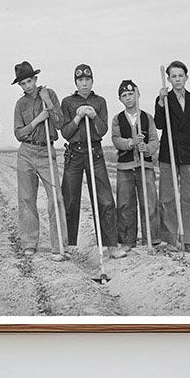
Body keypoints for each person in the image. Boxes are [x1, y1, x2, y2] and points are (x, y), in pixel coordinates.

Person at [59, 63, 126, 259]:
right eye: (80, 80)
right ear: (76, 82)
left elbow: (102, 130)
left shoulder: (100, 101)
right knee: (70, 199)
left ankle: (111, 245)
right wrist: (78, 118)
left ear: (92, 81)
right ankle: (69, 244)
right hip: (74, 154)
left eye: (88, 80)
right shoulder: (68, 102)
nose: (84, 84)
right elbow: (65, 132)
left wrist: (94, 115)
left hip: (95, 153)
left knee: (104, 199)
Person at [12, 60, 67, 259]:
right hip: (26, 153)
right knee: (27, 199)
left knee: (56, 198)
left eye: (29, 81)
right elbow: (19, 133)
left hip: (46, 151)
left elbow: (60, 123)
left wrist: (49, 104)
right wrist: (37, 120)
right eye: (23, 84)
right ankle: (29, 243)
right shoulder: (20, 104)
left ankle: (59, 244)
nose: (27, 86)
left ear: (35, 79)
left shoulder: (49, 95)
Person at [154, 59, 190, 251]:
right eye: (173, 76)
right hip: (169, 154)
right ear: (168, 79)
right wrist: (160, 102)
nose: (177, 79)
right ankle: (169, 238)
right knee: (167, 196)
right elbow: (159, 124)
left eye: (180, 76)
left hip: (189, 154)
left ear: (186, 77)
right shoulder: (164, 99)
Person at [111, 79, 162, 249]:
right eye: (124, 95)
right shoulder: (117, 119)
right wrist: (131, 143)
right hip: (125, 168)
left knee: (149, 202)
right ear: (120, 99)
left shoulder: (147, 117)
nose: (128, 98)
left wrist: (146, 148)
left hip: (145, 167)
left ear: (138, 94)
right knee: (125, 204)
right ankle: (127, 240)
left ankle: (151, 239)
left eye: (131, 94)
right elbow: (116, 140)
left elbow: (155, 140)